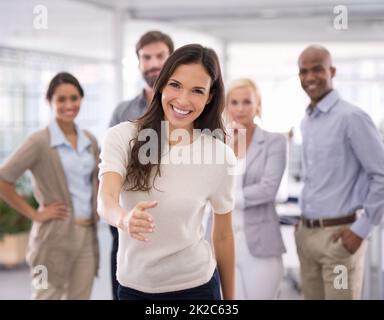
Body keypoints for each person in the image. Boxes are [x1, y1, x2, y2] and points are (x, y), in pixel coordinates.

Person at [97, 44, 236, 300]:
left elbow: (224, 234)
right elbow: (105, 200)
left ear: (209, 96)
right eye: (175, 85)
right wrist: (123, 219)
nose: (183, 100)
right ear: (161, 84)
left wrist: (230, 300)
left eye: (197, 90)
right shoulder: (121, 137)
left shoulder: (220, 155)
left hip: (198, 288)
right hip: (135, 288)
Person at [0, 72, 100, 299]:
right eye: (61, 99)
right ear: (49, 102)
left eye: (74, 98)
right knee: (45, 294)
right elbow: (3, 179)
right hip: (50, 240)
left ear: (81, 100)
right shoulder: (39, 141)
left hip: (86, 236)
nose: (69, 105)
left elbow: (97, 179)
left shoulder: (89, 140)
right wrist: (35, 214)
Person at [295, 45, 384, 299]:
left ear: (332, 71)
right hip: (307, 236)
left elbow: (381, 174)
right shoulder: (307, 121)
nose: (310, 77)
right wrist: (303, 224)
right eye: (303, 71)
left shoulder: (352, 117)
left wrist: (361, 230)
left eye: (317, 69)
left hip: (340, 238)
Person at [108, 30, 174, 299]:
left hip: (173, 218)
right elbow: (110, 168)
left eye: (160, 56)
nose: (153, 63)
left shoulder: (187, 107)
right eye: (146, 57)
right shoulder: (122, 113)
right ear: (138, 63)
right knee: (126, 288)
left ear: (172, 59)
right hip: (128, 220)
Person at [225, 79, 286, 299]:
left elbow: (268, 189)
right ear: (226, 106)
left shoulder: (274, 142)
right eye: (234, 102)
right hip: (223, 243)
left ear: (257, 105)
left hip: (260, 246)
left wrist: (225, 198)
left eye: (246, 102)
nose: (240, 108)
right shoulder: (217, 144)